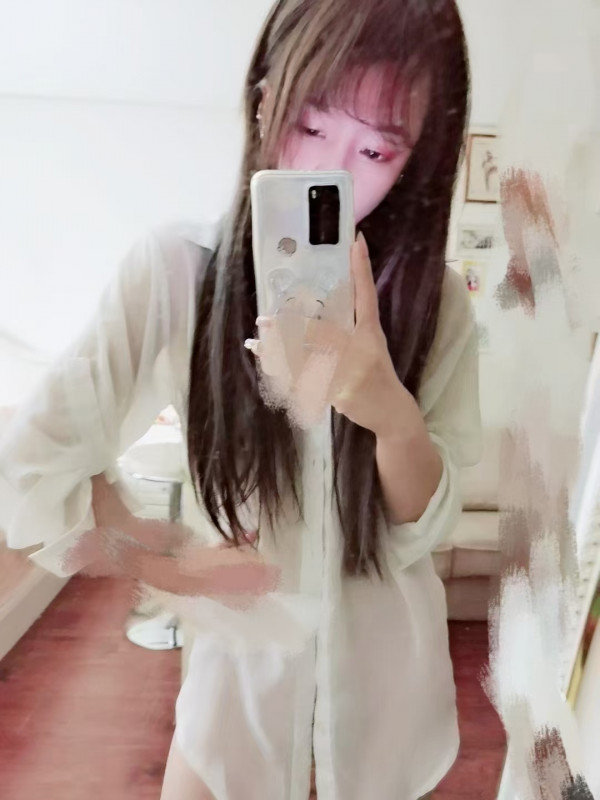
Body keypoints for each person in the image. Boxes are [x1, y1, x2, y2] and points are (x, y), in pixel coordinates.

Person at [0, 0, 482, 798]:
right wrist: (172, 564)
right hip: (230, 727)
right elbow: (29, 473)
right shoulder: (175, 274)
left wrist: (387, 410)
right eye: (311, 123)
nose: (331, 170)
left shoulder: (440, 307)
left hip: (393, 729)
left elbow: (426, 524)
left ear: (416, 159)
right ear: (264, 102)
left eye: (375, 149)